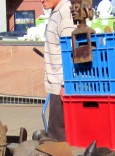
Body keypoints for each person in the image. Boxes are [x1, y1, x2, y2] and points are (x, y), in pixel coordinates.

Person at [43, 0, 76, 141]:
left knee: (58, 137)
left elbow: (70, 51)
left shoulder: (66, 13)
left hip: (61, 84)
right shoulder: (56, 11)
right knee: (55, 133)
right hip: (56, 84)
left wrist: (64, 84)